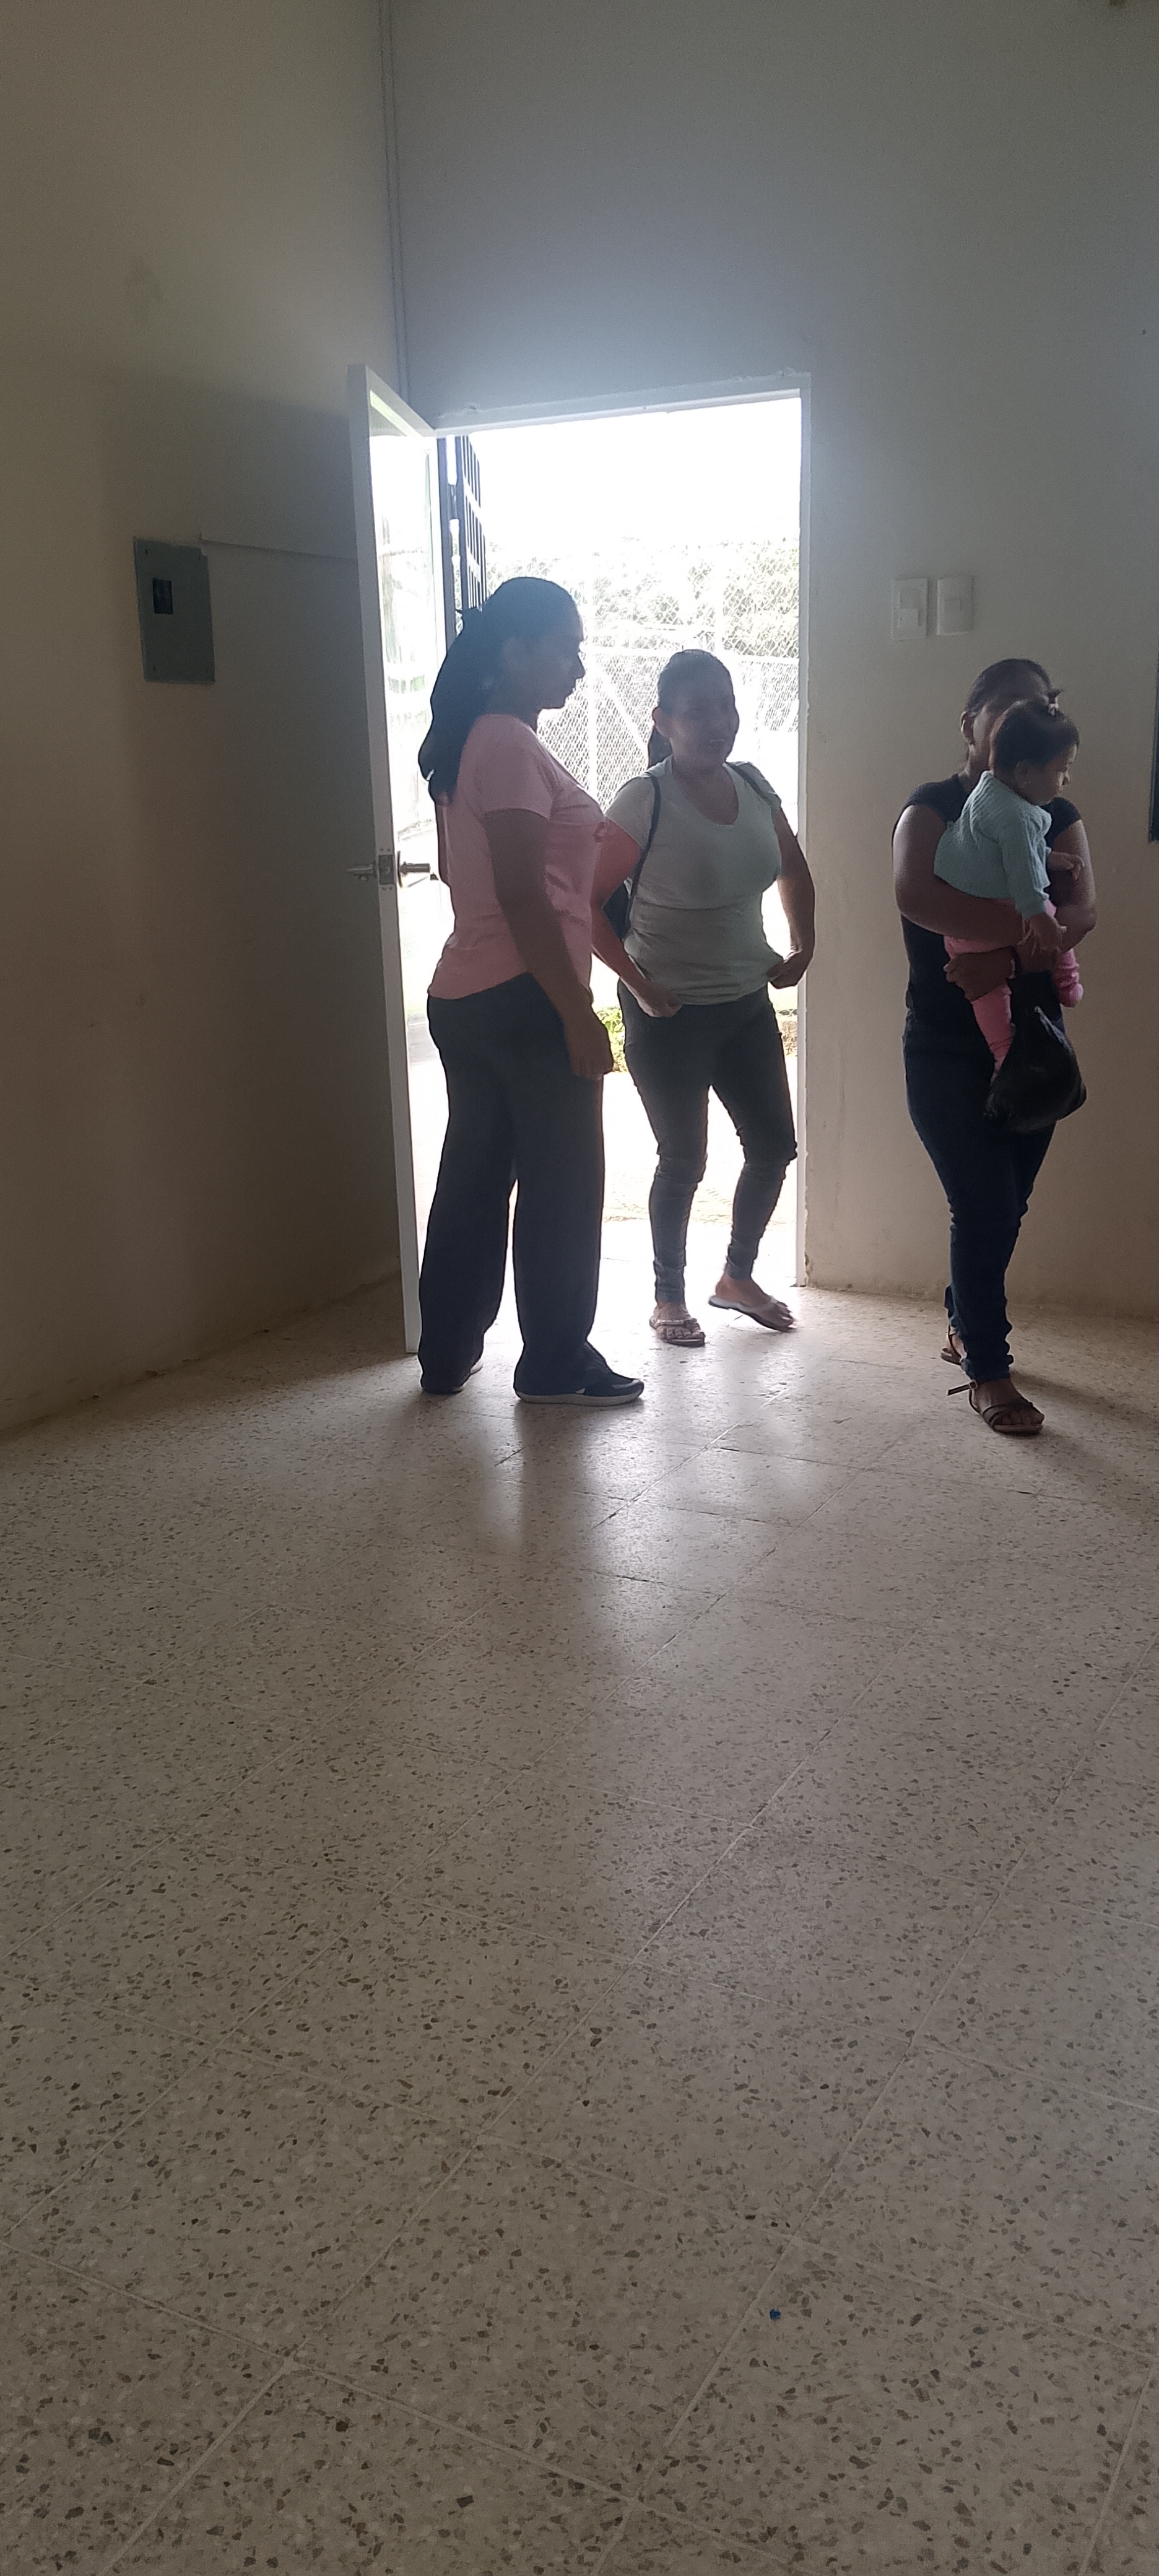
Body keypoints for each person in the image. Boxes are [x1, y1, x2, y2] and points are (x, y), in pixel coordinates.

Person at [416, 577, 643, 1407]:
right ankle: (553, 1362)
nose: (578, 667)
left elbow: (470, 877)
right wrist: (576, 1013)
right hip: (526, 998)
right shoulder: (508, 742)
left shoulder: (468, 739)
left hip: (468, 994)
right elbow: (521, 891)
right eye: (566, 648)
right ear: (514, 652)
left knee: (474, 1177)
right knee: (562, 1184)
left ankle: (446, 1354)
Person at [893, 657, 1098, 1436]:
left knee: (1008, 1202)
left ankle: (962, 1319)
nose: (1020, 717)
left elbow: (1082, 909)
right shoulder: (933, 805)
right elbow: (918, 895)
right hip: (944, 1044)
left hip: (1034, 1043)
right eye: (1005, 704)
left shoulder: (1056, 806)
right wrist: (1025, 931)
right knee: (981, 1202)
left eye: (1037, 704)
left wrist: (1005, 959)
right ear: (970, 723)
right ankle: (989, 1367)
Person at [591, 649, 815, 1347]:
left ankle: (737, 1278)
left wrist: (804, 945)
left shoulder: (754, 785)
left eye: (726, 705)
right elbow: (585, 903)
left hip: (746, 1004)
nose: (718, 722)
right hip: (670, 1014)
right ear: (663, 720)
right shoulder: (644, 799)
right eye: (697, 711)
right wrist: (638, 984)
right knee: (684, 1160)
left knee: (774, 1147)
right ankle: (668, 1296)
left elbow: (793, 868)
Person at [934, 700, 1084, 1065]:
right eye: (1062, 770)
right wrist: (1038, 916)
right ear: (1025, 772)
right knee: (1056, 927)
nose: (1067, 779)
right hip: (1006, 906)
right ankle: (1068, 984)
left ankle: (1002, 1050)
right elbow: (1022, 869)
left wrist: (1047, 856)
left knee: (986, 994)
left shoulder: (988, 789)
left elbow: (1000, 848)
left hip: (965, 927)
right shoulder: (1019, 816)